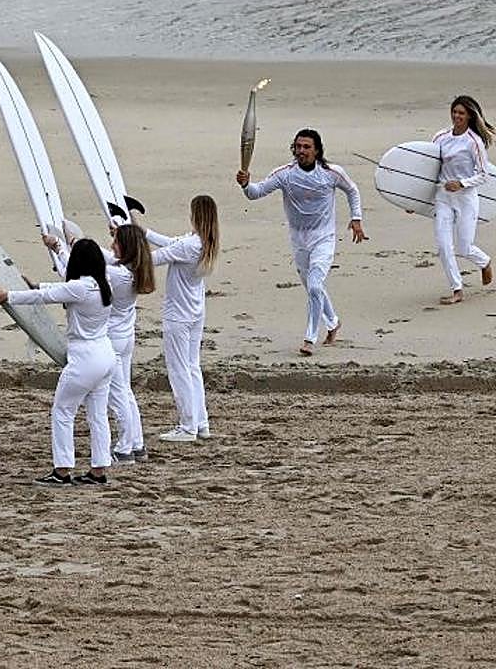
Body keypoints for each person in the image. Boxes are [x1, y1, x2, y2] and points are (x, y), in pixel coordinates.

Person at [0, 239, 117, 485]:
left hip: (85, 359)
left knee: (63, 411)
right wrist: (38, 283)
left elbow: (45, 296)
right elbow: (57, 289)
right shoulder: (105, 283)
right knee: (98, 415)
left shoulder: (80, 287)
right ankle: (98, 470)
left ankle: (62, 471)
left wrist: (8, 296)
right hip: (105, 354)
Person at [237, 128, 366, 354]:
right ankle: (333, 322)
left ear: (317, 151)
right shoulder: (284, 174)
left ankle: (309, 339)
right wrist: (246, 184)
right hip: (298, 241)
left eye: (306, 147)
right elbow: (255, 193)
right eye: (298, 147)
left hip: (324, 238)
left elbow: (352, 191)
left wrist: (356, 218)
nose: (301, 151)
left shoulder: (332, 173)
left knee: (315, 285)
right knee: (314, 289)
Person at [48, 223, 155, 464]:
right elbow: (102, 256)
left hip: (111, 339)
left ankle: (125, 448)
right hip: (125, 335)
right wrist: (74, 241)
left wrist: (60, 248)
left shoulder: (115, 275)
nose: (111, 245)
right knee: (125, 391)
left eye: (116, 241)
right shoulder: (133, 268)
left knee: (118, 396)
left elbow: (81, 270)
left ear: (126, 247)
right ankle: (136, 444)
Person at [146, 196, 220, 443]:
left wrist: (130, 244)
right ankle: (201, 422)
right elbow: (171, 243)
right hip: (195, 312)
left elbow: (155, 258)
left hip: (178, 315)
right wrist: (142, 232)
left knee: (179, 370)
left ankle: (187, 426)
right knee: (192, 367)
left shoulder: (189, 245)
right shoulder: (203, 242)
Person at [430, 96, 494, 304]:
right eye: (454, 111)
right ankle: (456, 289)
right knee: (443, 246)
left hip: (466, 198)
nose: (457, 116)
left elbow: (484, 175)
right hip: (443, 197)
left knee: (464, 247)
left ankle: (484, 262)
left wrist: (462, 183)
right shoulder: (440, 137)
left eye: (461, 113)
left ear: (469, 116)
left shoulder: (474, 142)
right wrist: (414, 200)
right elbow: (428, 168)